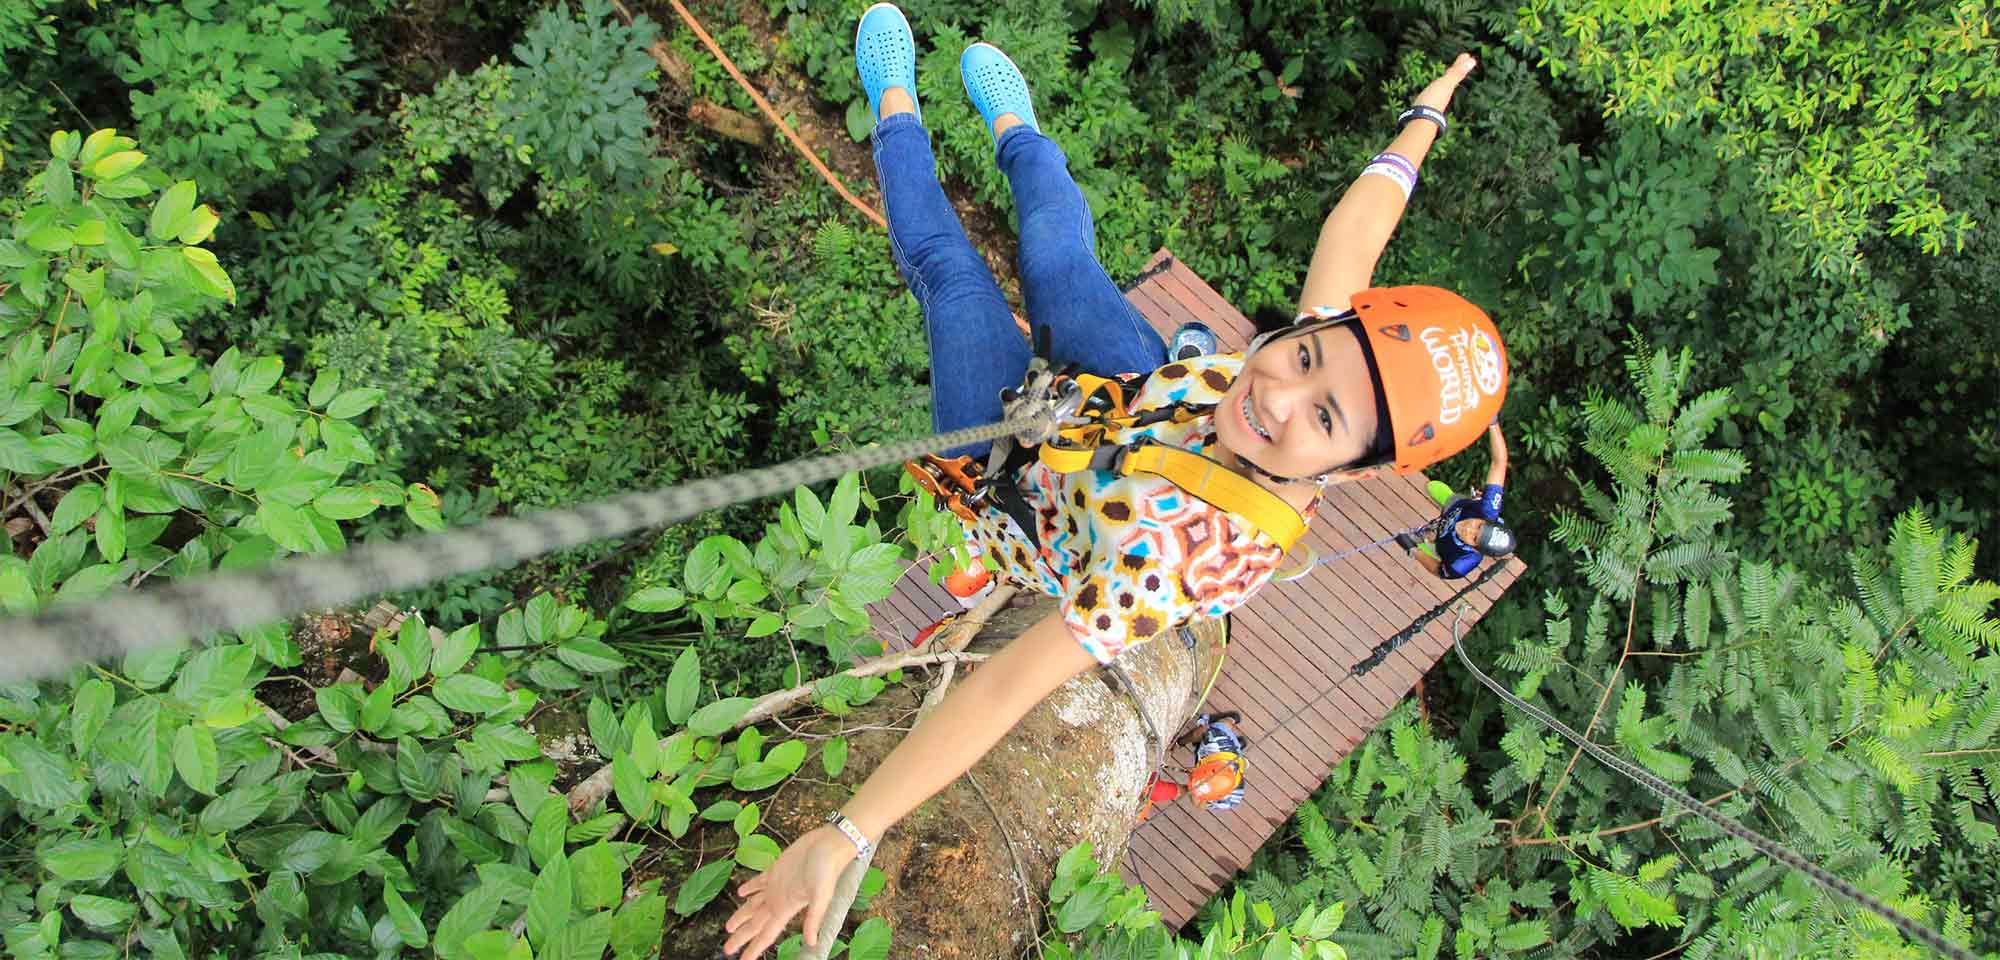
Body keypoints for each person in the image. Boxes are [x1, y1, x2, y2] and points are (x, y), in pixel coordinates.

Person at [722, 6, 1504, 957]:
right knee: (1057, 247)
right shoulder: (1303, 368)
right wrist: (1427, 113)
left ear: (1354, 467)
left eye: (1327, 419)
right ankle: (1019, 132)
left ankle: (893, 107)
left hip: (1016, 472)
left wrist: (847, 834)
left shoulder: (1177, 561)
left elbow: (1006, 689)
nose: (1283, 396)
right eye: (1303, 358)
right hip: (1136, 390)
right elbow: (1360, 230)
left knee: (953, 278)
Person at [1403, 422, 1514, 579]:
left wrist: (1414, 551)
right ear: (1487, 520)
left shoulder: (1462, 563)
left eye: (1474, 538)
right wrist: (1493, 423)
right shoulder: (1489, 508)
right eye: (1478, 525)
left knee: (1427, 544)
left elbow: (1439, 570)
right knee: (1450, 499)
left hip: (1442, 546)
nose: (1469, 529)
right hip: (1458, 507)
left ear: (1477, 550)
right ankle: (1446, 497)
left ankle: (1426, 540)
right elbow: (1499, 463)